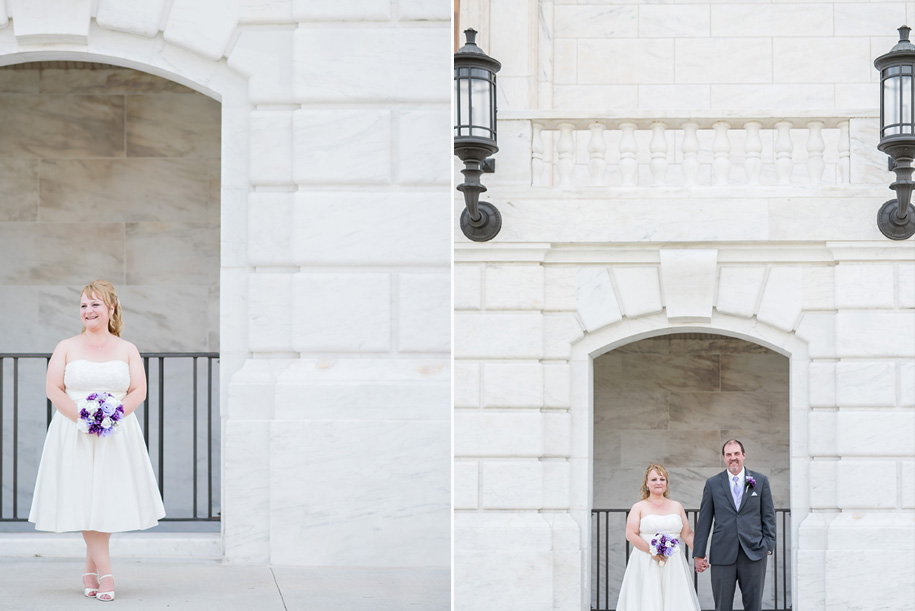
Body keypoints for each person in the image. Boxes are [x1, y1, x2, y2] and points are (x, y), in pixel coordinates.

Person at [29, 280, 165, 602]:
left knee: (102, 499)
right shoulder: (66, 346)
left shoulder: (127, 349)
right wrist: (84, 418)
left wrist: (111, 416)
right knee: (84, 498)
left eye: (95, 304)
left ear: (111, 308)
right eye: (83, 305)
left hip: (116, 435)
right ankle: (105, 573)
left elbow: (139, 392)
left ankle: (90, 569)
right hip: (73, 433)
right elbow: (53, 389)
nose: (88, 311)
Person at [692, 439, 775, 611]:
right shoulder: (712, 484)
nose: (733, 458)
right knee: (722, 606)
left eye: (737, 453)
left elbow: (768, 516)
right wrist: (698, 554)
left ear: (743, 455)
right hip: (722, 554)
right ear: (724, 458)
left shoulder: (760, 480)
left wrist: (768, 545)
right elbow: (704, 521)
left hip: (754, 553)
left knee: (754, 606)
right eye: (729, 454)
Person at [615, 463, 701, 611]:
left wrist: (700, 555)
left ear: (666, 484)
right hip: (646, 561)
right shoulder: (639, 507)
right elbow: (630, 534)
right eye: (654, 479)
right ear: (647, 484)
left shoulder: (677, 506)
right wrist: (652, 552)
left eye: (662, 479)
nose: (658, 483)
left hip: (673, 563)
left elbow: (686, 534)